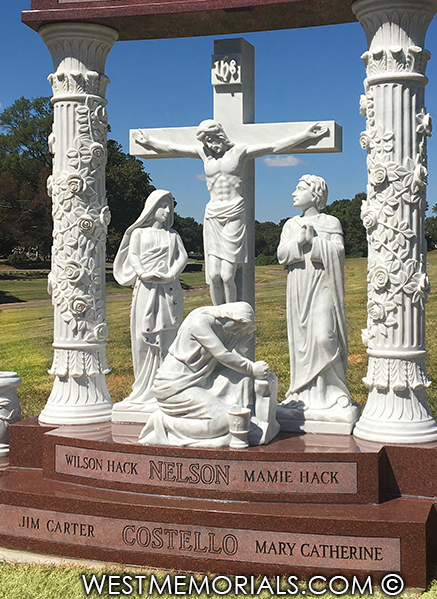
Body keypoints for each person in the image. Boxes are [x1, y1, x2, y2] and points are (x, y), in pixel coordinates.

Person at [132, 120, 327, 305]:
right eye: (205, 141)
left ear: (219, 135)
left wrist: (305, 135)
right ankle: (218, 312)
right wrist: (149, 142)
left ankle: (232, 311)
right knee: (214, 275)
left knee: (227, 275)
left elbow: (274, 146)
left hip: (234, 214)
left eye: (210, 139)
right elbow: (173, 148)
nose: (208, 144)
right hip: (212, 216)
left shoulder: (239, 152)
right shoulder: (204, 153)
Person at [276, 175, 359, 431]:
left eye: (299, 188)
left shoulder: (330, 222)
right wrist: (299, 241)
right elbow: (281, 256)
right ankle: (301, 394)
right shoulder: (290, 224)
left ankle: (334, 392)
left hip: (323, 284)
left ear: (315, 194)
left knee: (324, 338)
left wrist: (314, 241)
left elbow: (339, 254)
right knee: (301, 341)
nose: (293, 193)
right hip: (298, 286)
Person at [138, 302, 271, 447]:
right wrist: (252, 368)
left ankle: (247, 425)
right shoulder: (199, 323)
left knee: (241, 383)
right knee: (225, 422)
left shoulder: (220, 327)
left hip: (200, 382)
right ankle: (163, 423)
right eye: (236, 327)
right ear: (229, 317)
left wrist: (251, 372)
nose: (235, 331)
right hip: (175, 387)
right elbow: (222, 355)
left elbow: (230, 355)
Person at [112, 190, 187, 413]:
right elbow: (133, 255)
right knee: (142, 335)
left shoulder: (173, 236)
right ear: (152, 208)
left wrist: (171, 274)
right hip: (145, 288)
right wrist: (143, 273)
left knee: (168, 336)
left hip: (168, 289)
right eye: (162, 206)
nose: (167, 211)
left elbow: (182, 257)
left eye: (170, 207)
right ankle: (144, 387)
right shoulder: (139, 234)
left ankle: (166, 384)